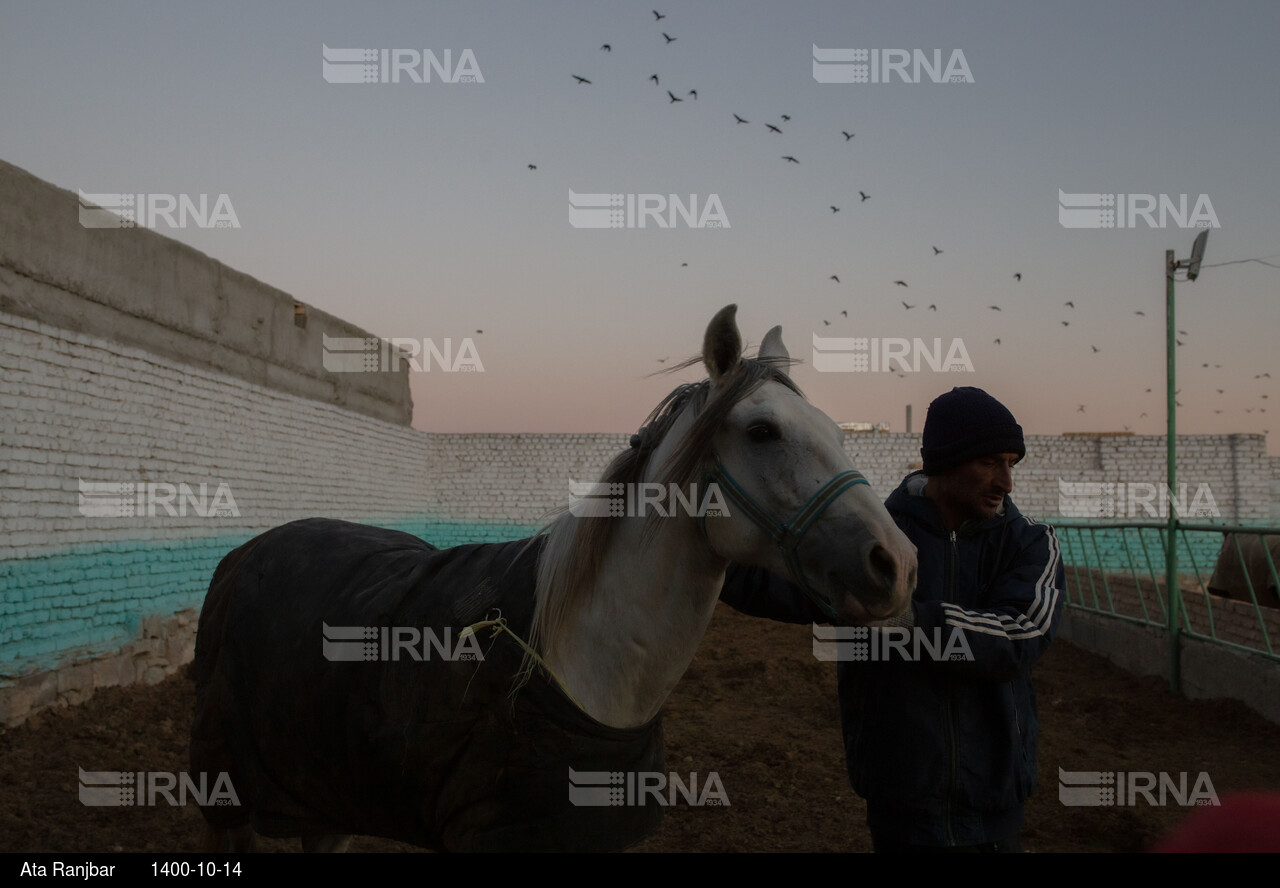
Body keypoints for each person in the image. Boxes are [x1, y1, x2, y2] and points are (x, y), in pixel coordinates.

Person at [720, 386, 1065, 852]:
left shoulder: (1030, 543)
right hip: (901, 801)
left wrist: (903, 619)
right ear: (945, 460)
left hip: (994, 799)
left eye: (1010, 463)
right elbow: (770, 584)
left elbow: (1018, 636)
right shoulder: (869, 545)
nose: (1006, 481)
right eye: (990, 462)